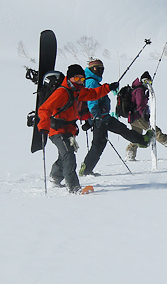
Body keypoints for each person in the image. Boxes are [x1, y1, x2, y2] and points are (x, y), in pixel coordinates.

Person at [37, 64, 115, 193]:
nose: (80, 82)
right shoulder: (62, 92)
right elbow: (45, 109)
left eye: (82, 79)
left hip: (68, 130)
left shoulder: (77, 92)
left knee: (64, 156)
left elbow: (93, 94)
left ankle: (55, 179)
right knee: (69, 155)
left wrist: (107, 88)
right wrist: (43, 127)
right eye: (77, 79)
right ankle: (74, 188)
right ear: (69, 78)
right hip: (57, 131)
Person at [80, 58, 151, 176]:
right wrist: (96, 117)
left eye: (102, 69)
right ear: (92, 69)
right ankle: (142, 141)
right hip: (100, 118)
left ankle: (86, 169)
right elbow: (92, 100)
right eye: (98, 69)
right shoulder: (91, 81)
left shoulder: (92, 80)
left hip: (102, 117)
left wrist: (110, 87)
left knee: (104, 140)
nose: (101, 71)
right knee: (105, 140)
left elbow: (99, 93)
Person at [121, 71, 167, 160]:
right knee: (155, 131)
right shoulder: (139, 90)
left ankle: (130, 154)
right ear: (144, 81)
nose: (149, 84)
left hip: (133, 118)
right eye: (148, 82)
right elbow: (140, 104)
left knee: (136, 136)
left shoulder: (137, 88)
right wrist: (144, 115)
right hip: (138, 117)